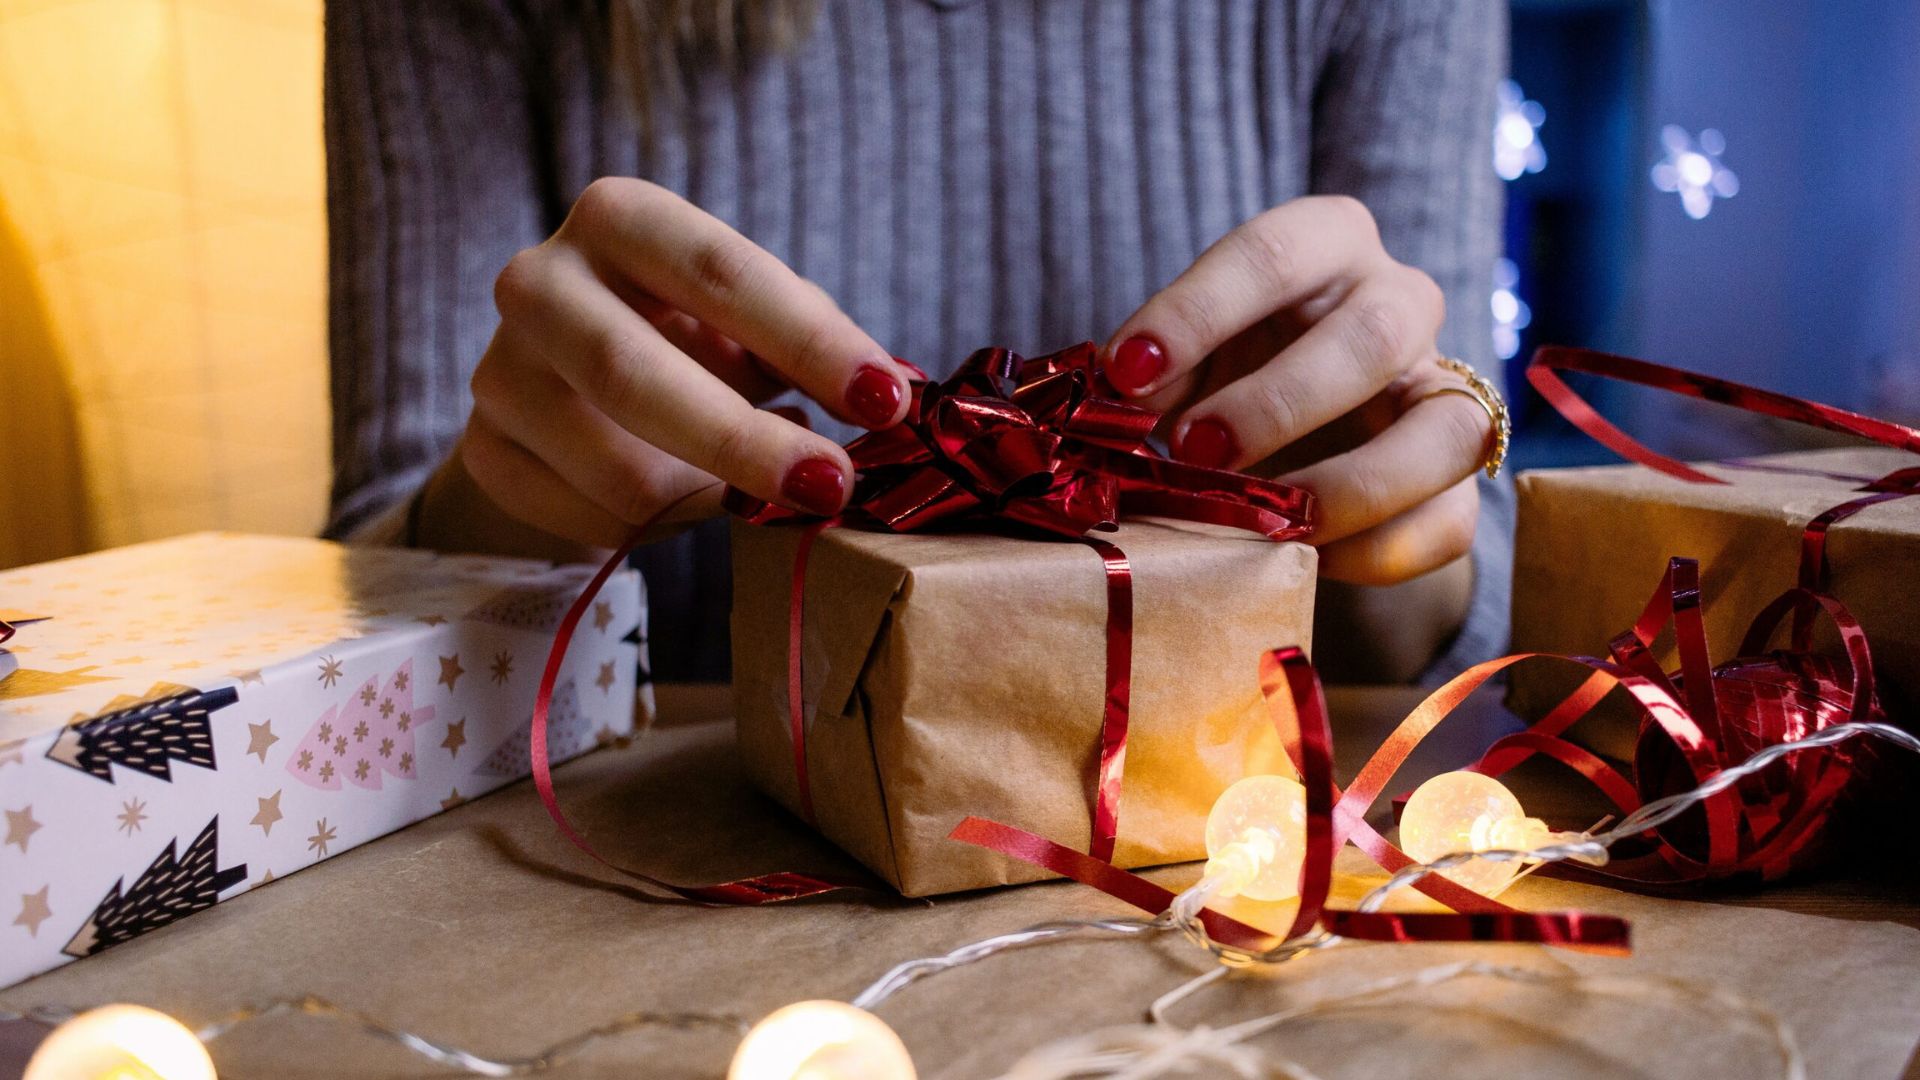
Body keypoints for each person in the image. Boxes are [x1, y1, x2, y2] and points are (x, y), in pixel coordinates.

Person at [323, 0, 1512, 685]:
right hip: (625, 909)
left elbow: (1466, 595)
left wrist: (1385, 529)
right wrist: (515, 497)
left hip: (1200, 898)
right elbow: (368, 589)